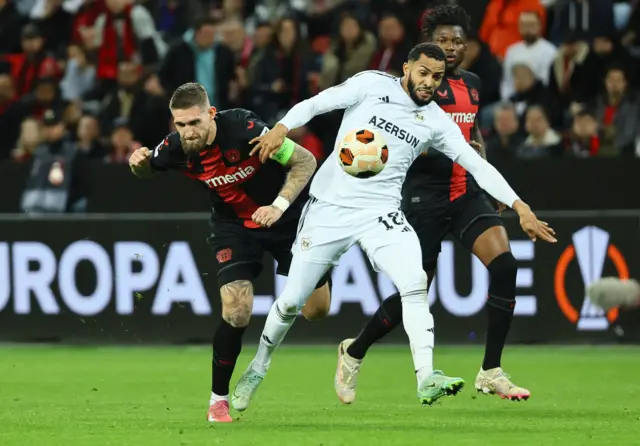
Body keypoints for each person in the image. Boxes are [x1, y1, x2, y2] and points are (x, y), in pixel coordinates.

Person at [231, 43, 555, 411]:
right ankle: (258, 367)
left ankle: (426, 376)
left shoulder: (435, 121)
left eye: (436, 77)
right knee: (292, 303)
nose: (429, 82)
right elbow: (318, 102)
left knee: (415, 282)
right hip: (329, 210)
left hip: (381, 214)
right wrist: (282, 127)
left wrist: (519, 205)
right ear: (407, 68)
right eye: (423, 73)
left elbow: (477, 165)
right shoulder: (372, 85)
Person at [332, 5, 558, 405]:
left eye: (457, 40)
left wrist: (486, 177)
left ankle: (491, 371)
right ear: (426, 45)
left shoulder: (471, 84)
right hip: (422, 199)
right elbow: (398, 145)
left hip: (465, 193)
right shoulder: (409, 90)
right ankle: (354, 351)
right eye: (442, 40)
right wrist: (443, 149)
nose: (451, 47)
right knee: (414, 292)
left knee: (505, 265)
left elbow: (473, 137)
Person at [128, 82, 332, 423]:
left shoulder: (246, 130)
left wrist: (279, 206)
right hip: (234, 229)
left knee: (317, 310)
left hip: (287, 220)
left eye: (194, 123)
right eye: (180, 125)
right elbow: (149, 169)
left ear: (211, 114)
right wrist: (139, 164)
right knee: (237, 309)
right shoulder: (175, 149)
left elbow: (304, 161)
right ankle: (218, 401)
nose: (188, 132)